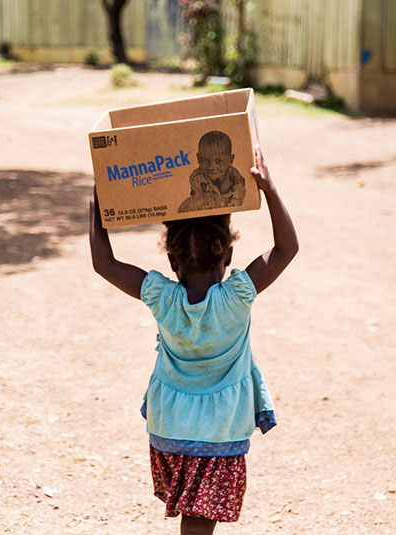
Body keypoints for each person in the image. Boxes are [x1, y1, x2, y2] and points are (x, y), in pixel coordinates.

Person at [90, 146, 298, 534]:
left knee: (195, 517)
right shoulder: (237, 295)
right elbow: (287, 249)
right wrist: (268, 189)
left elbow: (104, 263)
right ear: (229, 255)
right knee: (199, 522)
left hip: (169, 425)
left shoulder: (161, 295)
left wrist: (98, 200)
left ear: (172, 260)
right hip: (219, 430)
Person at [178, 131, 246, 213]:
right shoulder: (197, 177)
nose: (211, 167)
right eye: (205, 160)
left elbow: (239, 190)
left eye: (218, 161)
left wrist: (235, 201)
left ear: (230, 160)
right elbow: (197, 200)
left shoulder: (232, 174)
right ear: (198, 159)